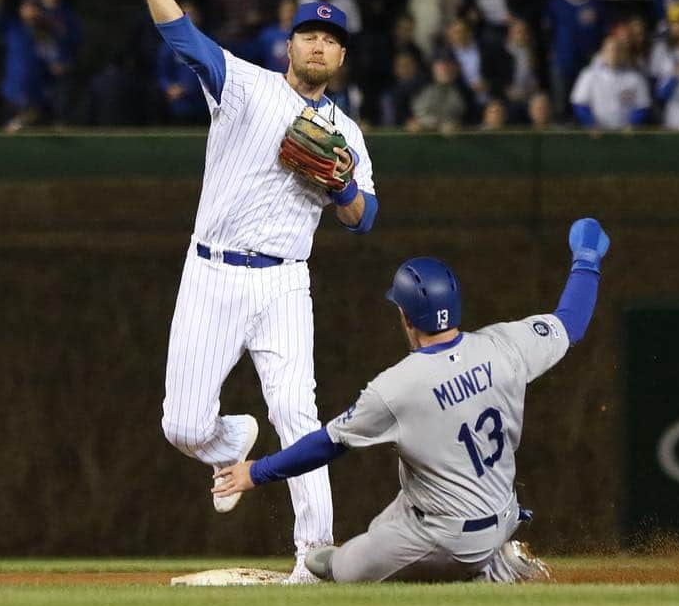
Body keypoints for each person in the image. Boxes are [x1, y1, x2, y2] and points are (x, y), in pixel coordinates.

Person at [103, 0, 378, 584]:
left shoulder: (347, 132)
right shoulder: (247, 86)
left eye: (331, 40)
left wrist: (343, 188)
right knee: (182, 425)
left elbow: (364, 219)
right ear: (290, 45)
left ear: (340, 59)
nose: (320, 44)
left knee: (300, 415)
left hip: (285, 282)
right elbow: (182, 37)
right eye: (311, 34)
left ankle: (316, 558)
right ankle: (231, 441)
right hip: (211, 273)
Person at [211, 218, 610, 583]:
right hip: (498, 511)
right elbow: (570, 321)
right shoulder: (505, 346)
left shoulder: (396, 387)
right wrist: (587, 258)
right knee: (387, 525)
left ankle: (493, 568)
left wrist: (256, 472)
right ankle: (492, 550)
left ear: (405, 316)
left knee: (336, 567)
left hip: (449, 536)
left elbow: (326, 444)